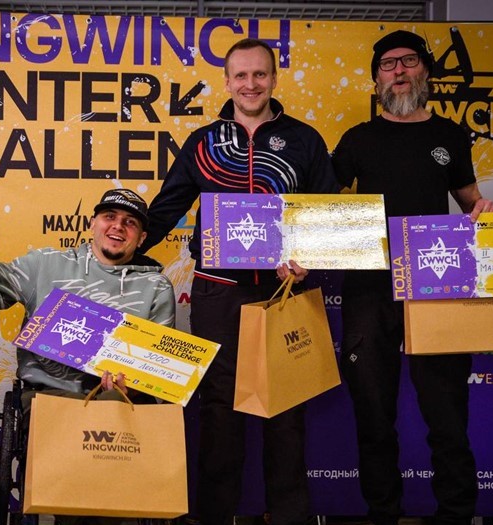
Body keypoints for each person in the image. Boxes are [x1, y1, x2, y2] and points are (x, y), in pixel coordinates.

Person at [140, 38, 340, 525]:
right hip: (218, 293)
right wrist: (116, 252)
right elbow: (165, 210)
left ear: (273, 78)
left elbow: (328, 216)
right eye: (242, 75)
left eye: (260, 74)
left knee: (286, 413)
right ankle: (215, 517)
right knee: (219, 413)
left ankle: (288, 517)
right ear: (227, 82)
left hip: (284, 292)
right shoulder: (203, 142)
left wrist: (310, 260)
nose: (251, 84)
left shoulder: (304, 140)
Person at [331, 30, 493, 525]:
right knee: (373, 416)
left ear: (425, 71)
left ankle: (456, 514)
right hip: (369, 290)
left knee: (448, 416)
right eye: (388, 65)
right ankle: (382, 514)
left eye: (408, 61)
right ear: (377, 80)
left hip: (437, 285)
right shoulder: (357, 140)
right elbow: (324, 206)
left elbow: (470, 202)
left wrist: (484, 211)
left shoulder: (449, 136)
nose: (399, 71)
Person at [0, 187, 176, 397]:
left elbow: (159, 368)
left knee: (113, 400)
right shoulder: (45, 264)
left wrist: (131, 388)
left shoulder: (157, 287)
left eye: (130, 222)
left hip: (121, 402)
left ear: (142, 238)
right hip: (48, 397)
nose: (118, 226)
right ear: (92, 224)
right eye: (110, 216)